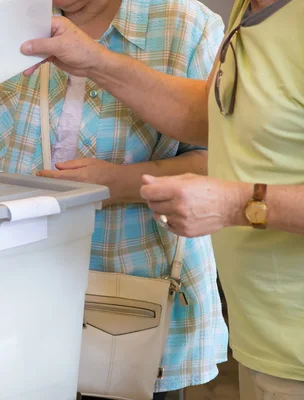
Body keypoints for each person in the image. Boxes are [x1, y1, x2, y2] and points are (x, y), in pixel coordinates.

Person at [0, 0, 229, 398]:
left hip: (131, 305)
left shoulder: (186, 26)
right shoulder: (0, 13)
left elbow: (223, 159)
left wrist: (121, 183)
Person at [21, 0, 304, 399]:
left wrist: (233, 204)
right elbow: (211, 116)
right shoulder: (252, 9)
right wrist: (96, 61)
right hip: (264, 344)